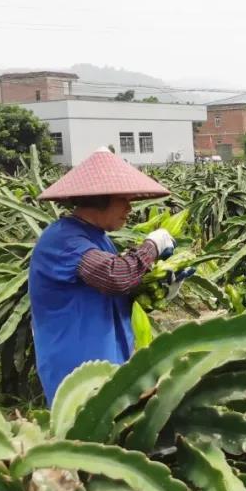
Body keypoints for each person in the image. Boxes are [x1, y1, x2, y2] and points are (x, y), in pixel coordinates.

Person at [29, 147, 174, 405]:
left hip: (110, 356)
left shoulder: (97, 238)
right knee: (82, 437)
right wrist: (151, 245)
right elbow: (116, 277)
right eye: (123, 200)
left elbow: (118, 290)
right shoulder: (64, 239)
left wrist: (163, 288)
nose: (130, 208)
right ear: (101, 198)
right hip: (77, 366)